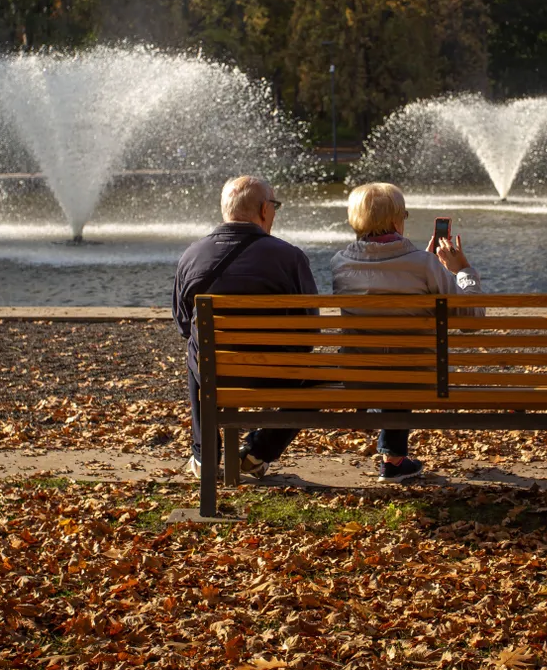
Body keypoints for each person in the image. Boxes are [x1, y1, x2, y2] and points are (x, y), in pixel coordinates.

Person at [331, 182, 483, 483]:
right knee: (403, 361)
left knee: (386, 357)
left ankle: (394, 458)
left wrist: (421, 263)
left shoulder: (340, 264)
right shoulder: (424, 265)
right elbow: (472, 320)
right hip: (419, 375)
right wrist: (463, 271)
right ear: (395, 220)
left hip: (359, 374)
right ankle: (393, 458)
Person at [172, 175, 318, 479]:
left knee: (195, 350)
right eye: (275, 206)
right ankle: (258, 451)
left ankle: (204, 455)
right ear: (264, 210)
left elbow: (184, 324)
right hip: (280, 376)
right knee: (316, 377)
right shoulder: (290, 257)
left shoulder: (191, 256)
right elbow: (311, 328)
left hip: (217, 375)